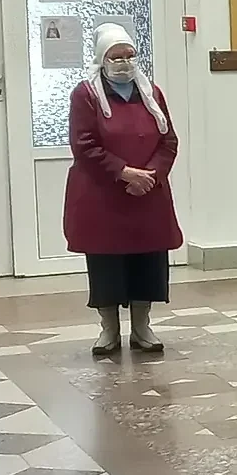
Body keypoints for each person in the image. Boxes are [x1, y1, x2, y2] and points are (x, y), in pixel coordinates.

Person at [65, 23, 181, 356]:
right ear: (102, 59)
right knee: (107, 263)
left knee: (148, 260)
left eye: (129, 56)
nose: (124, 62)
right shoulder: (86, 94)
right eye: (116, 57)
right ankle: (109, 330)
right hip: (104, 195)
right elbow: (84, 145)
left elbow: (168, 139)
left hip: (148, 193)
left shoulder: (151, 93)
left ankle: (142, 327)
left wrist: (151, 175)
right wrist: (124, 173)